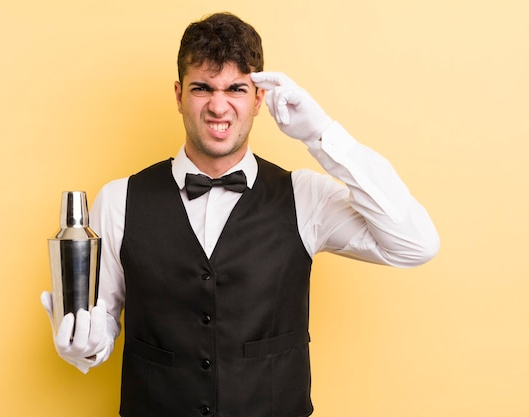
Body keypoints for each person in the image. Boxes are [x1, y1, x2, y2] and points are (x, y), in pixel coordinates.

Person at [41, 11, 439, 417]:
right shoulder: (119, 198)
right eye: (202, 88)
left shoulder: (304, 196)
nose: (218, 106)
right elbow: (103, 319)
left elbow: (415, 244)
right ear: (178, 95)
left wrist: (322, 134)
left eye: (235, 88)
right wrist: (85, 348)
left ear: (259, 99)